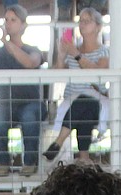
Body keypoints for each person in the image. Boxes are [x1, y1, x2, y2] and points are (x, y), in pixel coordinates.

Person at [0, 5, 45, 178]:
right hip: (5, 104)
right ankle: (3, 162)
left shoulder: (33, 49)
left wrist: (6, 42)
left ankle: (30, 162)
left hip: (31, 103)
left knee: (29, 118)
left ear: (23, 25)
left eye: (13, 20)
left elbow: (30, 63)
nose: (8, 24)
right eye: (6, 20)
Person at [44, 7, 108, 164]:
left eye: (87, 21)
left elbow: (97, 72)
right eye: (81, 21)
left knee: (84, 101)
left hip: (96, 100)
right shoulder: (74, 49)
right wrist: (61, 55)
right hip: (72, 99)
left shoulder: (104, 52)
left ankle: (58, 142)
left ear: (98, 27)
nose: (83, 24)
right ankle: (84, 158)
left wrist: (76, 54)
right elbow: (58, 73)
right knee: (82, 110)